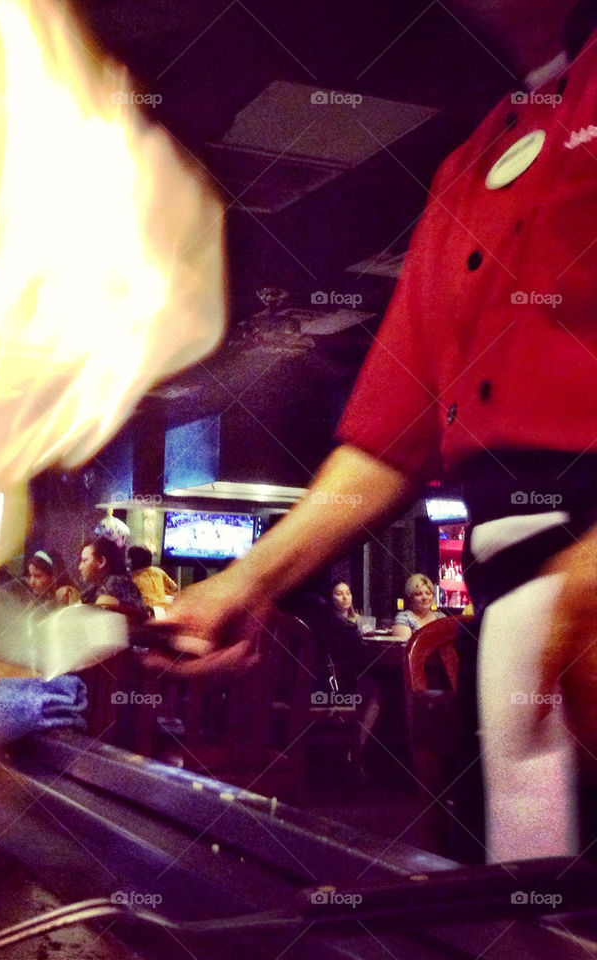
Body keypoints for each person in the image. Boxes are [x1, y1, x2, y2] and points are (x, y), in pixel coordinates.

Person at [167, 0, 597, 863]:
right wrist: (248, 581)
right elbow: (389, 430)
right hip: (507, 604)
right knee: (520, 915)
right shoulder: (466, 164)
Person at [312, 581, 382, 778]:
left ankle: (352, 754)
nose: (345, 598)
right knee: (372, 690)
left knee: (369, 686)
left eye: (348, 593)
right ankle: (354, 755)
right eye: (339, 594)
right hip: (327, 695)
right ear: (329, 599)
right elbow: (356, 652)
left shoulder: (354, 620)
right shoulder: (335, 626)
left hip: (317, 690)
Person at [78, 536, 146, 616]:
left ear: (101, 562)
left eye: (85, 560)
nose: (80, 567)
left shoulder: (114, 588)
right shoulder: (96, 587)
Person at [392, 574, 446, 639]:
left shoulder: (441, 618)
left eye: (428, 593)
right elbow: (406, 647)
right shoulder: (404, 618)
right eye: (418, 594)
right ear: (410, 598)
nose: (424, 597)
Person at [127, 546, 178, 613]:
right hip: (165, 609)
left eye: (128, 558)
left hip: (147, 612)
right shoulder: (159, 571)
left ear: (133, 561)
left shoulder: (131, 578)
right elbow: (174, 587)